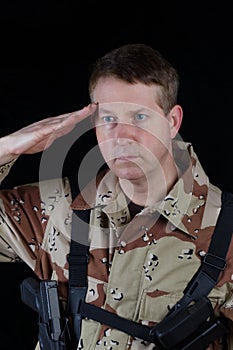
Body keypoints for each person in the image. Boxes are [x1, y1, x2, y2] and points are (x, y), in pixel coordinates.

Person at [0, 43, 232, 350]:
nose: (122, 136)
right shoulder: (58, 208)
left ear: (173, 121)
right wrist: (9, 147)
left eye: (139, 117)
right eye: (108, 118)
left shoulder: (224, 232)